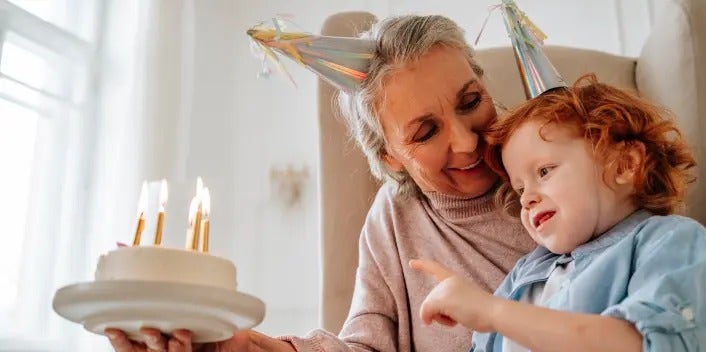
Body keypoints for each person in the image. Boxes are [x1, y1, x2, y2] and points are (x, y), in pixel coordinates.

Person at [106, 14, 536, 352]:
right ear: (390, 156)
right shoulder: (394, 219)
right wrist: (248, 347)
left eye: (471, 102)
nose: (465, 142)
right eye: (425, 133)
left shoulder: (554, 159)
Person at [410, 75, 706, 351]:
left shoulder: (675, 243)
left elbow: (641, 344)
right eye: (520, 189)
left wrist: (491, 311)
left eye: (544, 171)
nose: (526, 200)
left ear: (624, 164)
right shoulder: (526, 273)